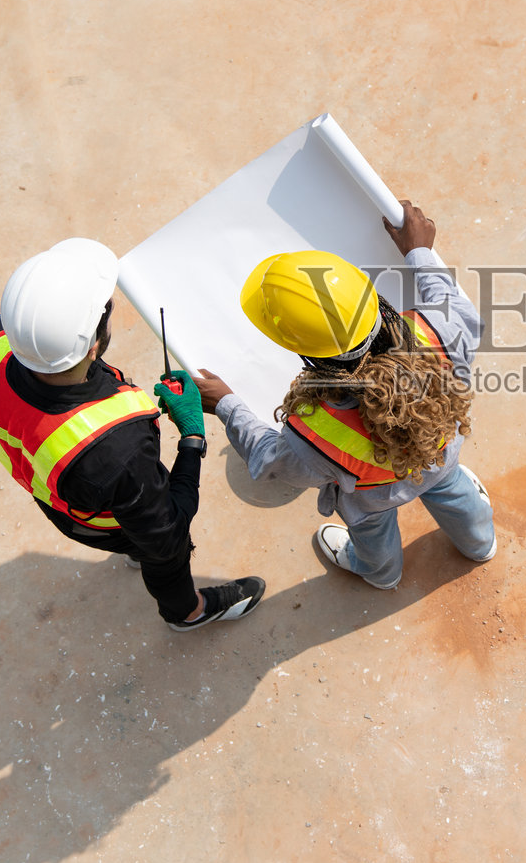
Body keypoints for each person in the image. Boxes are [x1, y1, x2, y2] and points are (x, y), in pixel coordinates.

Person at [0, 237, 265, 631]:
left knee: (139, 520)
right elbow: (167, 532)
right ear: (94, 343)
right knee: (161, 553)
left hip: (60, 501)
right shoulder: (117, 448)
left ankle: (135, 545)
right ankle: (187, 612)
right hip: (106, 521)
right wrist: (192, 439)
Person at [192, 201, 496, 589]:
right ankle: (479, 543)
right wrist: (419, 250)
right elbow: (456, 307)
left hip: (372, 501)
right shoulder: (436, 330)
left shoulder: (313, 429)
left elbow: (271, 458)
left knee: (373, 537)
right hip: (439, 457)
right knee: (454, 491)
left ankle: (381, 573)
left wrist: (227, 406)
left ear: (301, 348)